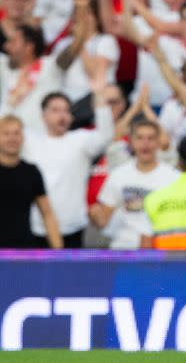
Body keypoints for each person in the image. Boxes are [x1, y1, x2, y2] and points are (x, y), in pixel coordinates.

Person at [23, 82, 114, 248]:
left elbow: (106, 136)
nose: (62, 116)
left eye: (66, 111)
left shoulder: (80, 139)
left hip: (73, 227)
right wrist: (12, 100)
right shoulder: (30, 140)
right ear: (43, 115)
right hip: (36, 226)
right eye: (55, 110)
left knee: (71, 275)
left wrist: (100, 96)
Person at [90, 119, 179, 249]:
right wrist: (95, 216)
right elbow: (103, 221)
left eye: (151, 138)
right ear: (131, 142)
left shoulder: (173, 177)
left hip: (160, 248)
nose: (145, 143)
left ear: (158, 142)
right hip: (123, 246)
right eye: (140, 138)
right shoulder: (118, 175)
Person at [0, 115, 62, 249]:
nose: (12, 138)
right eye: (6, 133)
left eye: (16, 133)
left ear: (23, 138)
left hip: (24, 252)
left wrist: (59, 254)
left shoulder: (31, 172)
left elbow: (47, 214)